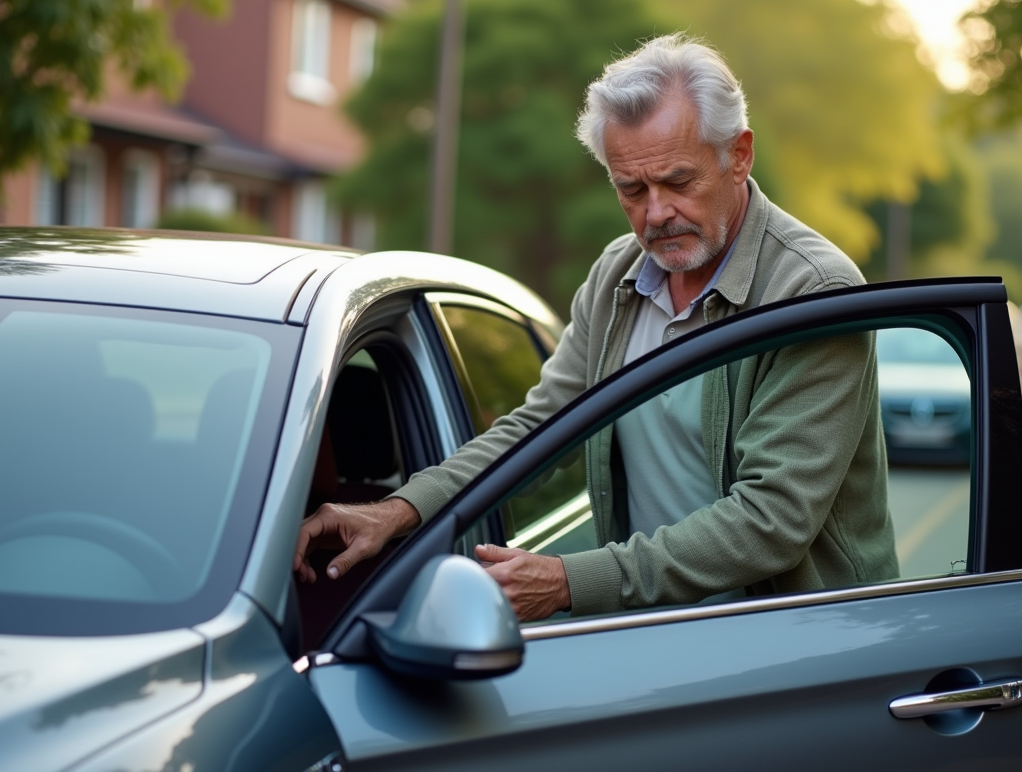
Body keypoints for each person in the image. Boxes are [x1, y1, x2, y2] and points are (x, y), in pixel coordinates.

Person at [294, 33, 897, 621]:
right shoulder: (618, 273)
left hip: (794, 645)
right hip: (641, 632)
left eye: (678, 182)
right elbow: (543, 426)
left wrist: (567, 582)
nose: (655, 213)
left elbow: (771, 522)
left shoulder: (812, 290)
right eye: (630, 189)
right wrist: (398, 509)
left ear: (738, 156)